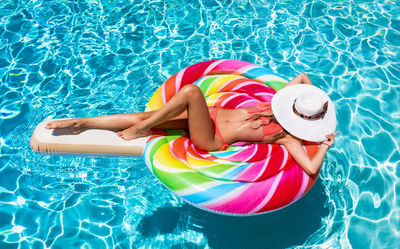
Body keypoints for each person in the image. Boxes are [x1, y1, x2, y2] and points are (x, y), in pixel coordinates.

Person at [46, 73, 338, 176]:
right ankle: (83, 124)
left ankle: (138, 131)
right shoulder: (279, 103)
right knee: (143, 116)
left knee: (190, 93)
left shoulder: (288, 138)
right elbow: (301, 77)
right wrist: (314, 103)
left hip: (211, 136)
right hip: (209, 115)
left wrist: (322, 144)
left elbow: (310, 168)